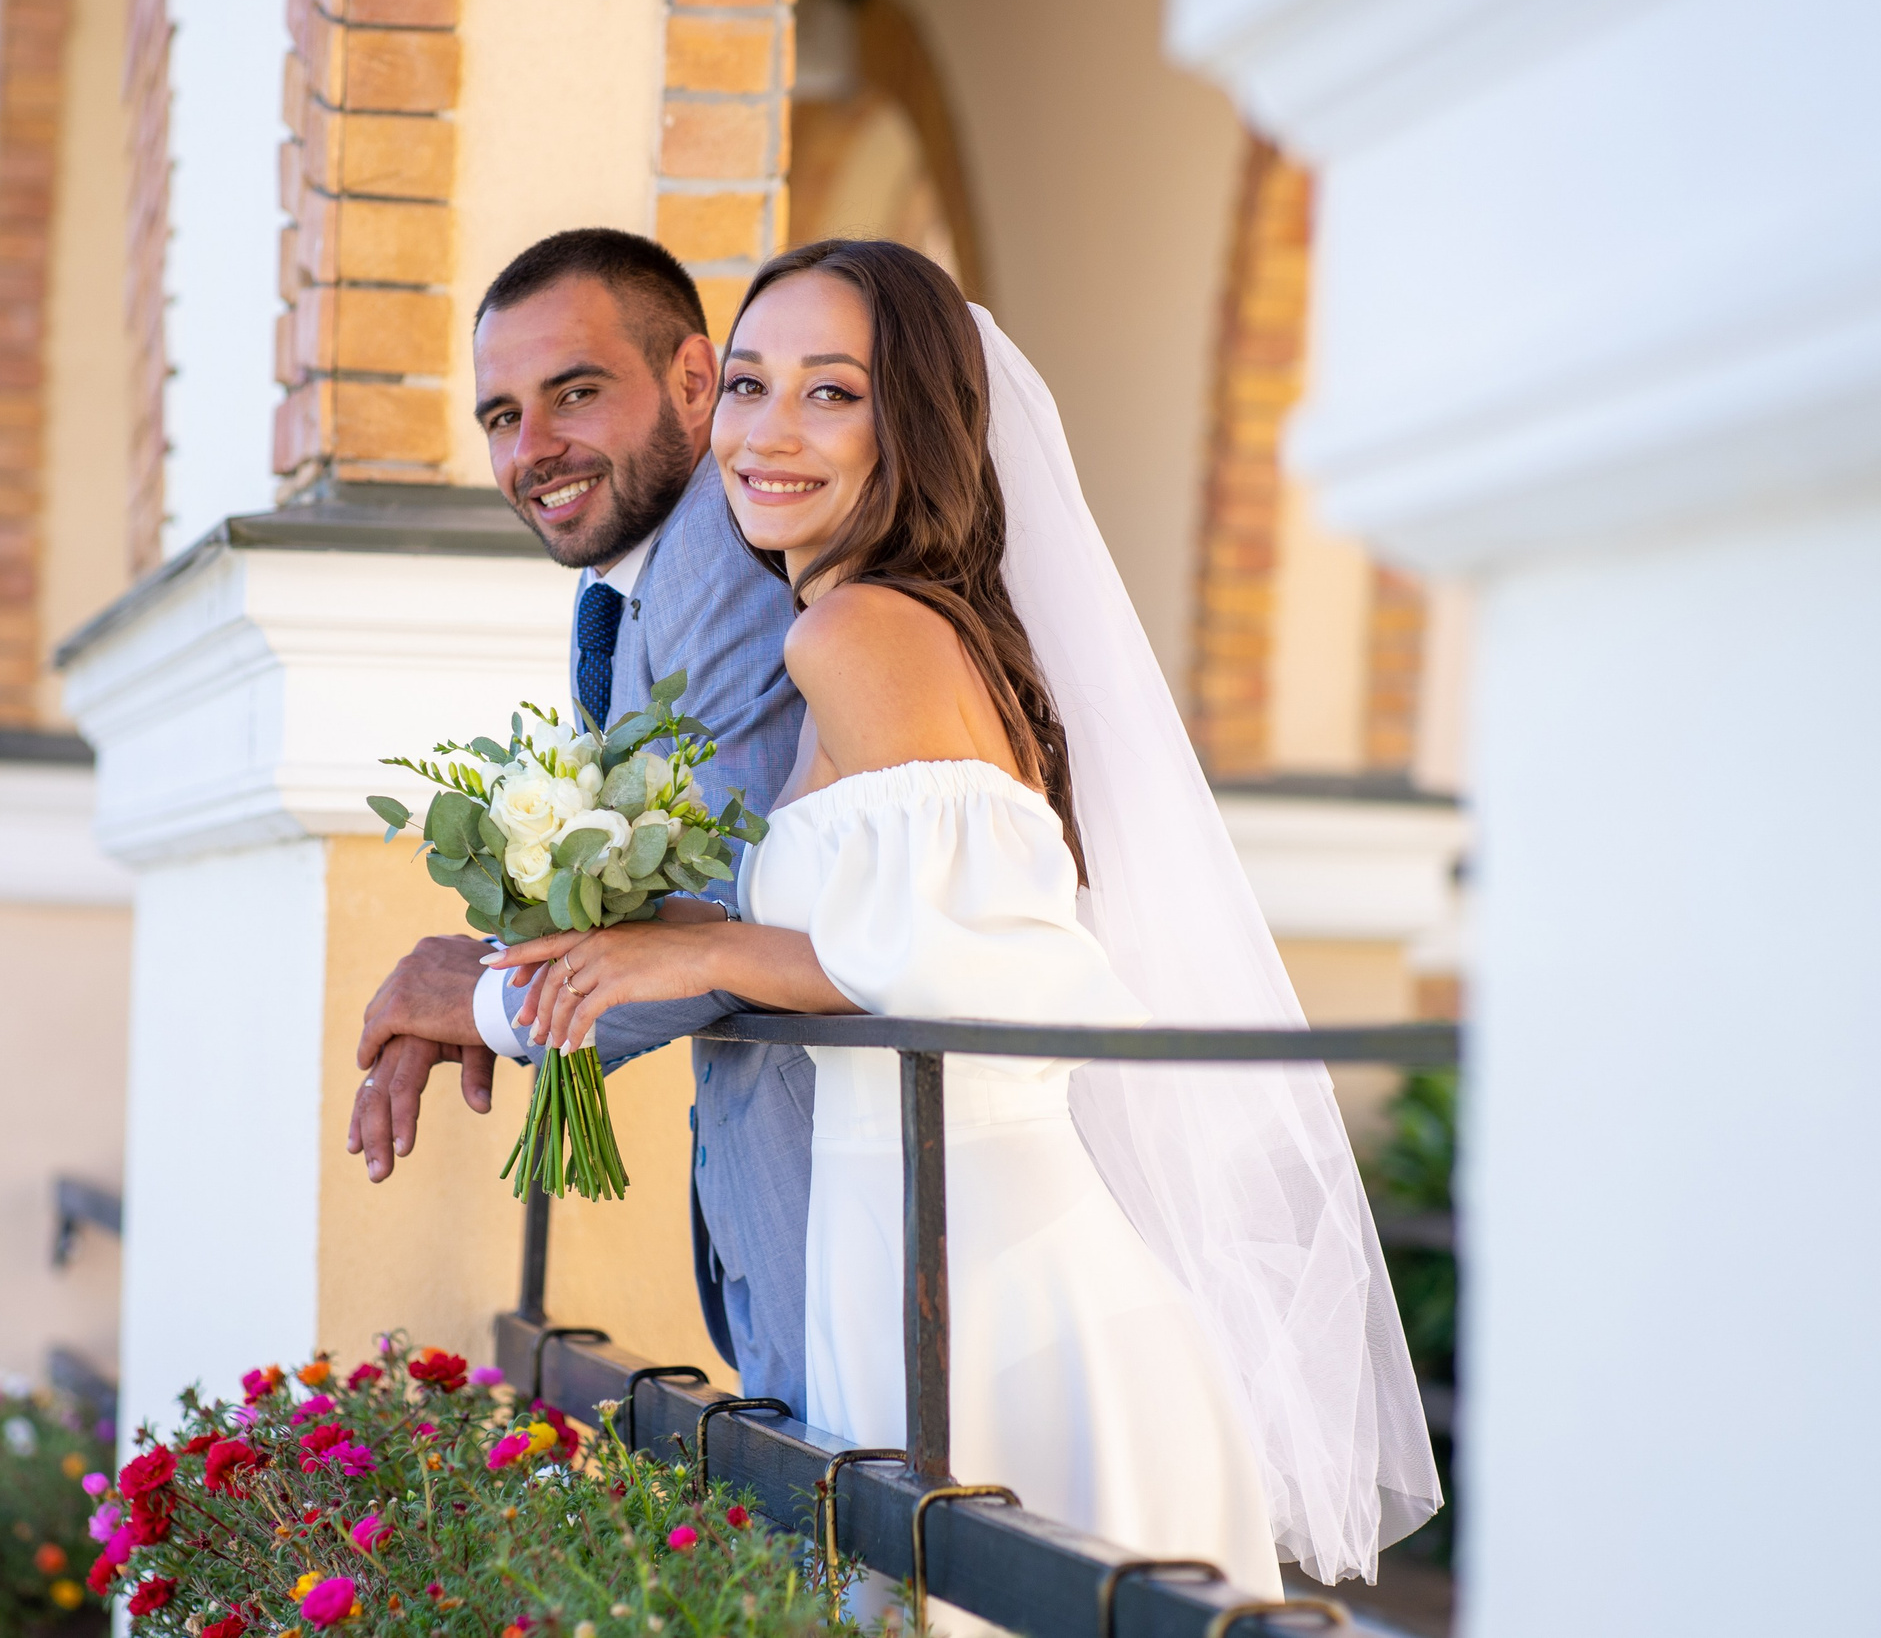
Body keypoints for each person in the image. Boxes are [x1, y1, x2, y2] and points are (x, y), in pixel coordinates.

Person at [488, 239, 1441, 1593]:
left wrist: (701, 943)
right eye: (752, 386)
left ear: (918, 419)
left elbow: (999, 971)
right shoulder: (898, 623)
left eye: (834, 393)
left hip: (998, 1296)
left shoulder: (858, 633)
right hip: (928, 1260)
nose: (769, 432)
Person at [346, 230, 818, 1411]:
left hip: (854, 1187)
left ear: (695, 383)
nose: (533, 448)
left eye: (575, 393)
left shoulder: (719, 549)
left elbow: (725, 915)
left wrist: (484, 1001)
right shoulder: (623, 587)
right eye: (501, 416)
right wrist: (480, 975)